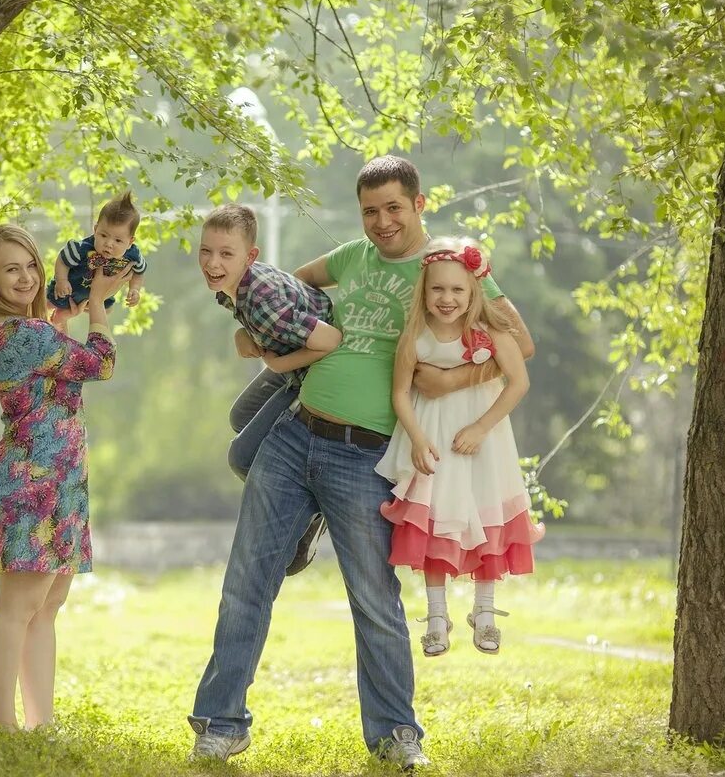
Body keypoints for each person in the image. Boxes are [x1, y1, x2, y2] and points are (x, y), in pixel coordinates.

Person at [188, 156, 534, 770]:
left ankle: (395, 734)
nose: (381, 222)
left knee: (375, 600)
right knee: (246, 581)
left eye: (393, 208)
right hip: (296, 435)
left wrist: (453, 381)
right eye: (370, 211)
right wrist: (263, 336)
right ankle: (220, 723)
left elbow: (520, 348)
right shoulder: (353, 256)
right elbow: (283, 286)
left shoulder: (448, 269)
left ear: (419, 204)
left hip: (369, 455)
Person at [0, 223, 131, 730]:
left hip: (59, 481)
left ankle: (40, 724)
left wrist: (61, 317)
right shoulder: (20, 333)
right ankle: (2, 727)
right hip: (29, 483)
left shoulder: (27, 332)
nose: (26, 277)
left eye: (31, 266)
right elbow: (99, 364)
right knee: (19, 604)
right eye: (10, 269)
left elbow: (51, 376)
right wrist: (100, 303)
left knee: (47, 605)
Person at [375, 241, 544, 658]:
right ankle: (436, 618)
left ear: (472, 292)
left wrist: (481, 427)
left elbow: (518, 383)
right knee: (437, 521)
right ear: (424, 292)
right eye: (437, 290)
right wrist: (415, 438)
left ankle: (484, 612)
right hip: (433, 440)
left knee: (486, 517)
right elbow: (399, 394)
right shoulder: (414, 337)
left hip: (482, 441)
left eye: (457, 291)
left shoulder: (491, 332)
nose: (447, 299)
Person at [199, 203, 338, 576]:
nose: (213, 263)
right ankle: (299, 490)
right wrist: (242, 333)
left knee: (241, 457)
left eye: (226, 254)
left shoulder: (261, 302)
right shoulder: (231, 286)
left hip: (319, 368)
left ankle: (311, 510)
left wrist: (276, 364)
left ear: (250, 255)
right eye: (206, 251)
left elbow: (332, 340)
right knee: (240, 415)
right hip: (297, 354)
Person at [47, 190, 146, 319]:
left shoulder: (133, 255)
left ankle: (68, 314)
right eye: (103, 235)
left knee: (108, 310)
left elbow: (139, 272)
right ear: (95, 230)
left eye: (118, 240)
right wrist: (62, 280)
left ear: (130, 242)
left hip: (102, 296)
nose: (109, 244)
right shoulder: (82, 248)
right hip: (70, 291)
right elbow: (62, 259)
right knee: (49, 303)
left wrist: (135, 289)